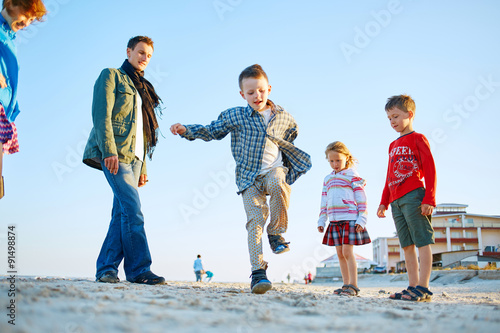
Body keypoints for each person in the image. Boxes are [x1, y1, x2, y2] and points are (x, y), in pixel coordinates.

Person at [170, 64, 311, 294]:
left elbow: (293, 132)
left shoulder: (284, 117)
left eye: (262, 90)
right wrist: (187, 130)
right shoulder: (235, 115)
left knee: (278, 182)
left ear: (269, 88)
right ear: (242, 94)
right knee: (254, 222)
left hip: (273, 171)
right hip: (248, 178)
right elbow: (212, 131)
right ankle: (258, 273)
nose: (257, 96)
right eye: (251, 92)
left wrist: (285, 155)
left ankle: (276, 233)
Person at [82, 36, 165, 285]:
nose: (144, 58)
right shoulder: (111, 76)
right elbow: (101, 115)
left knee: (121, 215)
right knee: (133, 212)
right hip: (115, 153)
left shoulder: (142, 87)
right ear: (129, 51)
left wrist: (144, 166)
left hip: (136, 158)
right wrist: (109, 151)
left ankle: (106, 269)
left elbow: (142, 131)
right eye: (140, 52)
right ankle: (139, 269)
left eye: (148, 56)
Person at [377, 94, 437, 302]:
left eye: (396, 116)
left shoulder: (418, 138)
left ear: (409, 115)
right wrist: (384, 201)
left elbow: (430, 169)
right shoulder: (392, 146)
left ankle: (424, 287)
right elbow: (389, 175)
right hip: (396, 200)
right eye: (389, 118)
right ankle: (412, 286)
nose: (392, 121)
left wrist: (429, 198)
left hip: (414, 196)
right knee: (406, 245)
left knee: (422, 240)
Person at [0, 0, 47, 199]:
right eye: (26, 15)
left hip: (5, 109)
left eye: (31, 20)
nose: (27, 23)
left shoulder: (10, 36)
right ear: (10, 3)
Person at [317, 141, 371, 296]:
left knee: (347, 251)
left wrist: (362, 218)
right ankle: (346, 284)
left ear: (346, 158)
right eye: (331, 161)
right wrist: (322, 220)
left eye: (338, 160)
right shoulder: (327, 179)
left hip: (350, 218)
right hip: (334, 220)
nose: (335, 164)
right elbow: (324, 201)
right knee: (339, 253)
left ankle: (353, 286)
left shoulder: (352, 175)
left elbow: (361, 198)